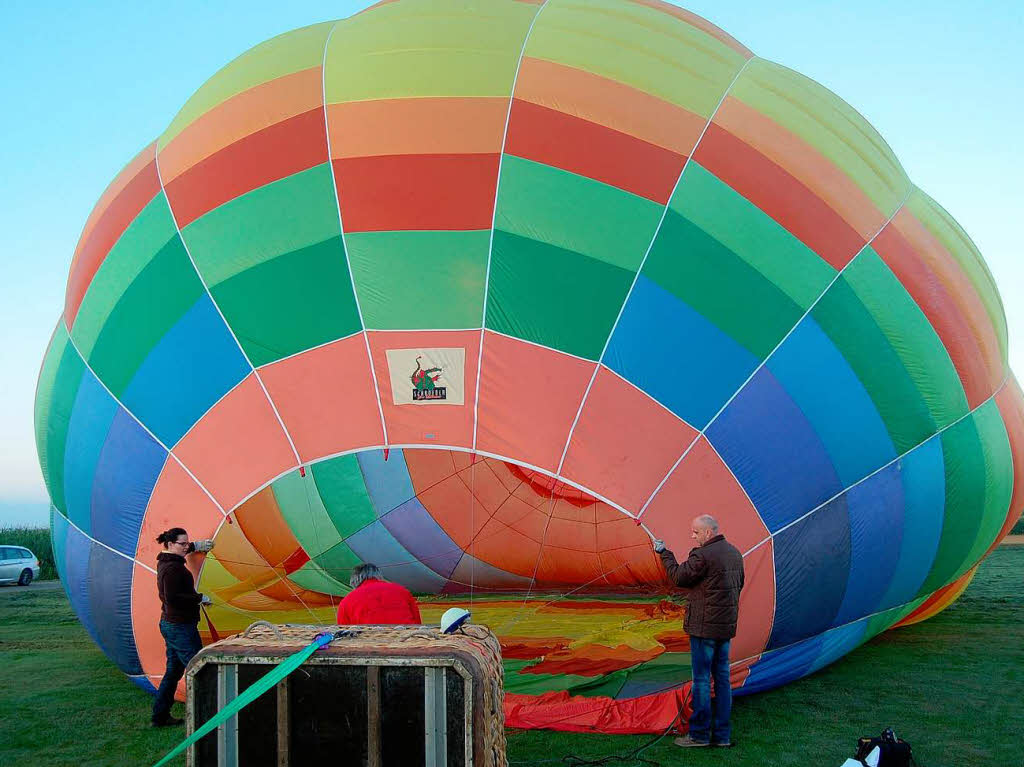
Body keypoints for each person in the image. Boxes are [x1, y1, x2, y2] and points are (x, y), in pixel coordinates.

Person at [653, 514, 744, 748]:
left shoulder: (702, 555)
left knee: (702, 680)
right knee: (723, 680)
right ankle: (722, 735)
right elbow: (739, 585)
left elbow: (679, 577)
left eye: (695, 532)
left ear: (708, 532)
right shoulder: (735, 553)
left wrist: (664, 553)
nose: (692, 536)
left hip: (704, 630)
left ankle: (700, 735)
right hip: (725, 628)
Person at [151, 527, 215, 727]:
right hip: (179, 628)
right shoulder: (171, 569)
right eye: (183, 544)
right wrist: (199, 598)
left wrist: (196, 546)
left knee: (173, 672)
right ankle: (209, 715)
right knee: (200, 668)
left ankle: (160, 716)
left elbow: (183, 551)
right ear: (170, 544)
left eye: (188, 543)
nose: (187, 547)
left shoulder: (169, 560)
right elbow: (171, 598)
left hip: (173, 625)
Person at [336, 563, 422, 625]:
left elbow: (344, 633)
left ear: (354, 581)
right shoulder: (402, 591)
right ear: (379, 576)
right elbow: (417, 623)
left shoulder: (346, 601)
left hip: (370, 645)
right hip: (406, 643)